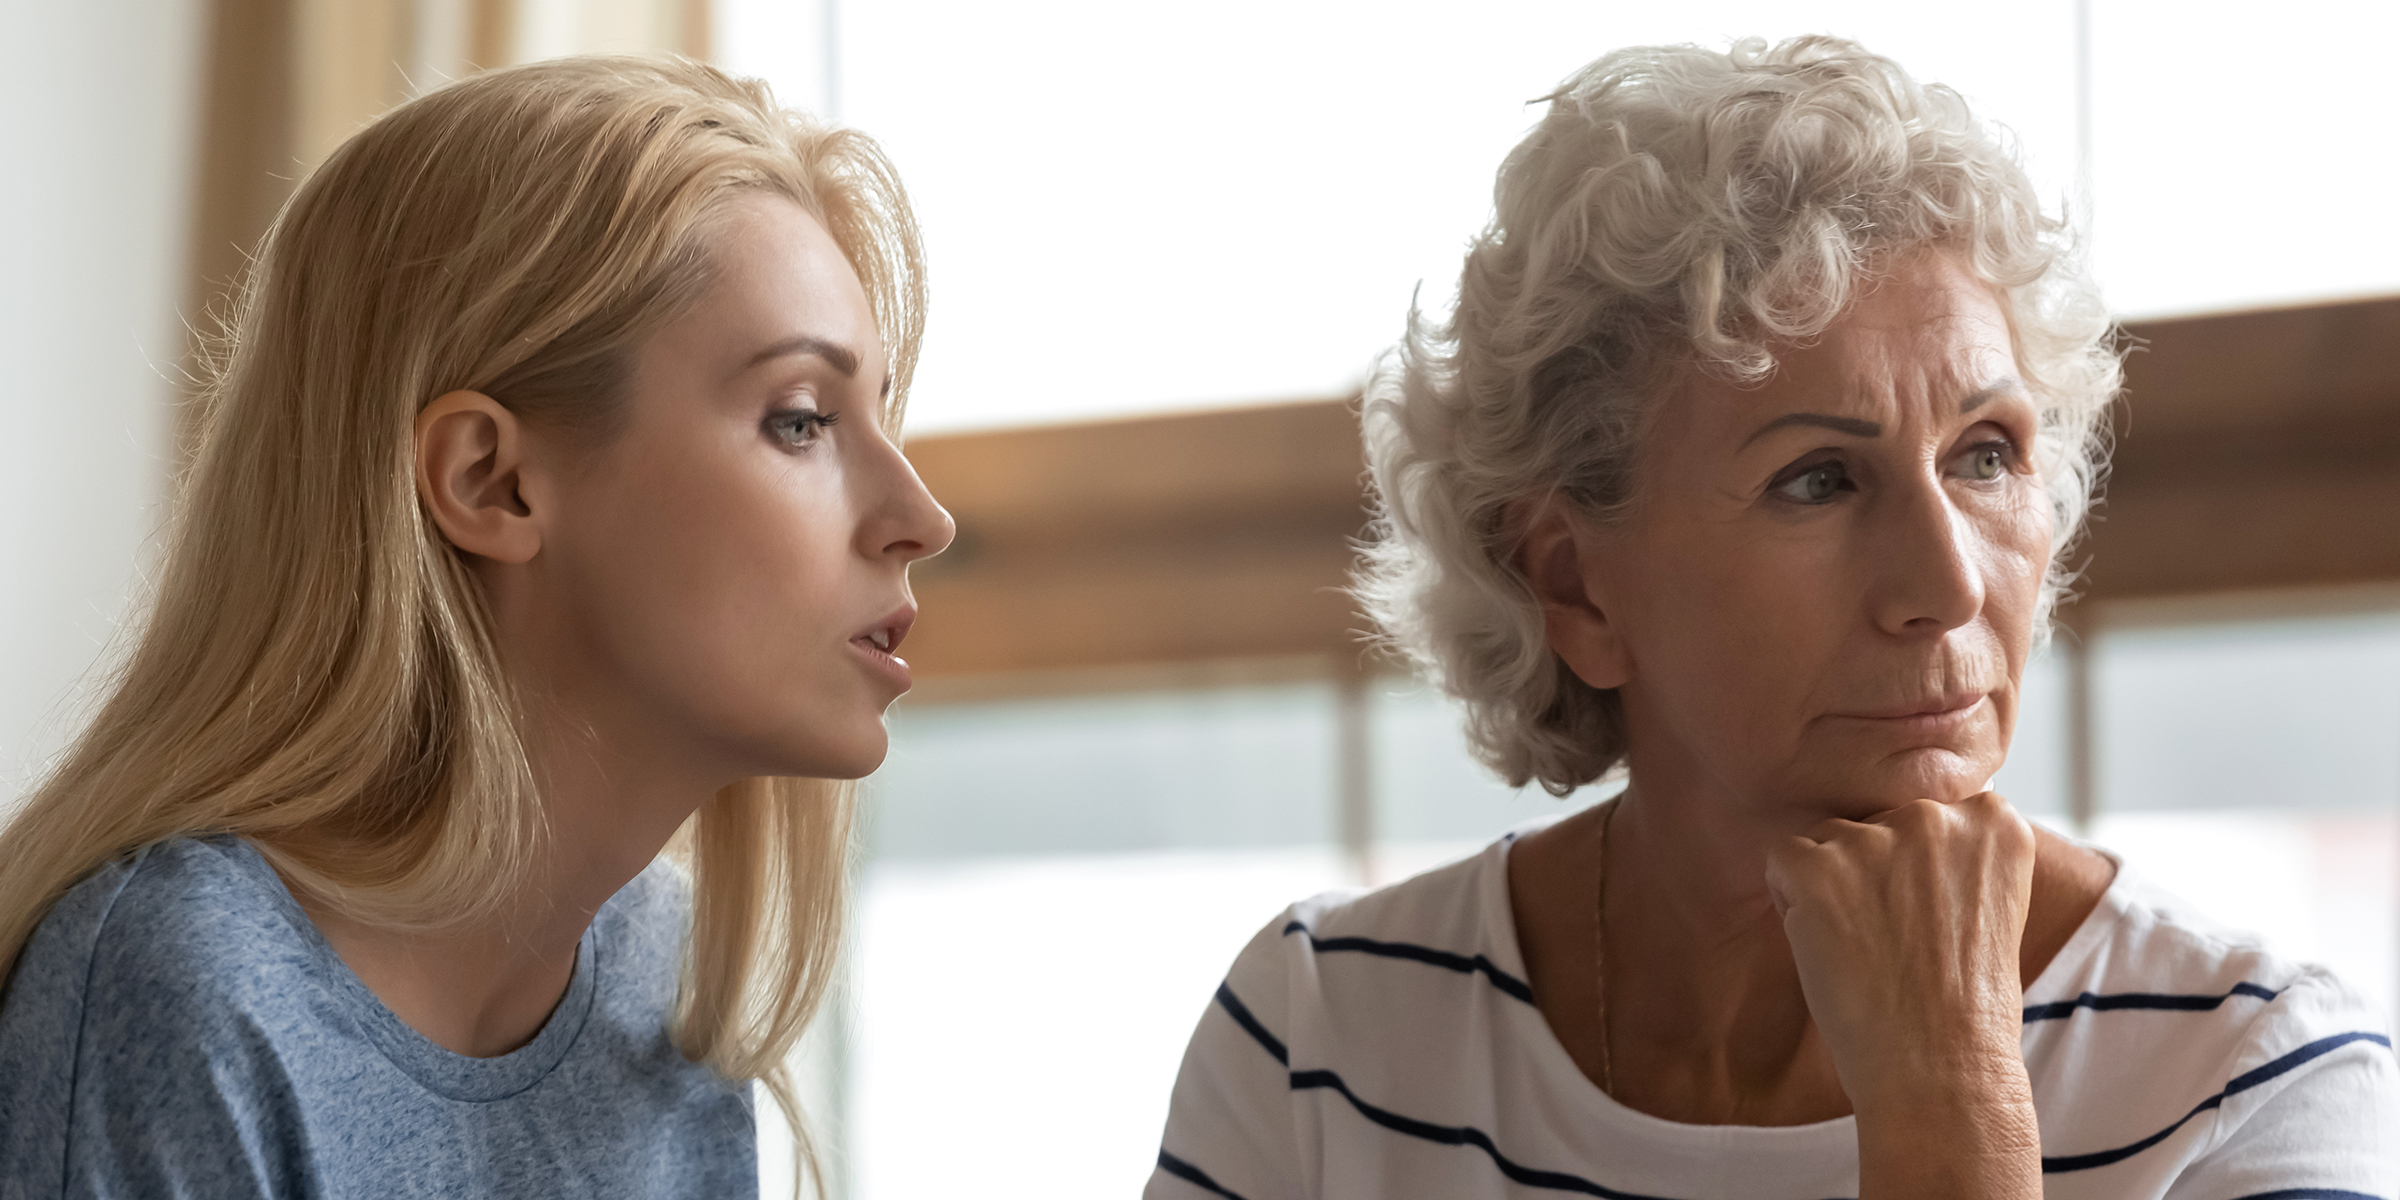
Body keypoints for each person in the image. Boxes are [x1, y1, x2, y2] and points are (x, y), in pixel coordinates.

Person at [1148, 36, 2395, 1200]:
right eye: (1819, 479)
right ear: (1575, 586)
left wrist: (1950, 1098)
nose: (1951, 584)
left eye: (1985, 455)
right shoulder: (1320, 1036)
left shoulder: (2256, 1073)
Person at [0, 56, 951, 1198]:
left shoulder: (660, 998)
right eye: (801, 421)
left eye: (880, 418)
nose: (921, 517)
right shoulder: (186, 990)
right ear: (492, 482)